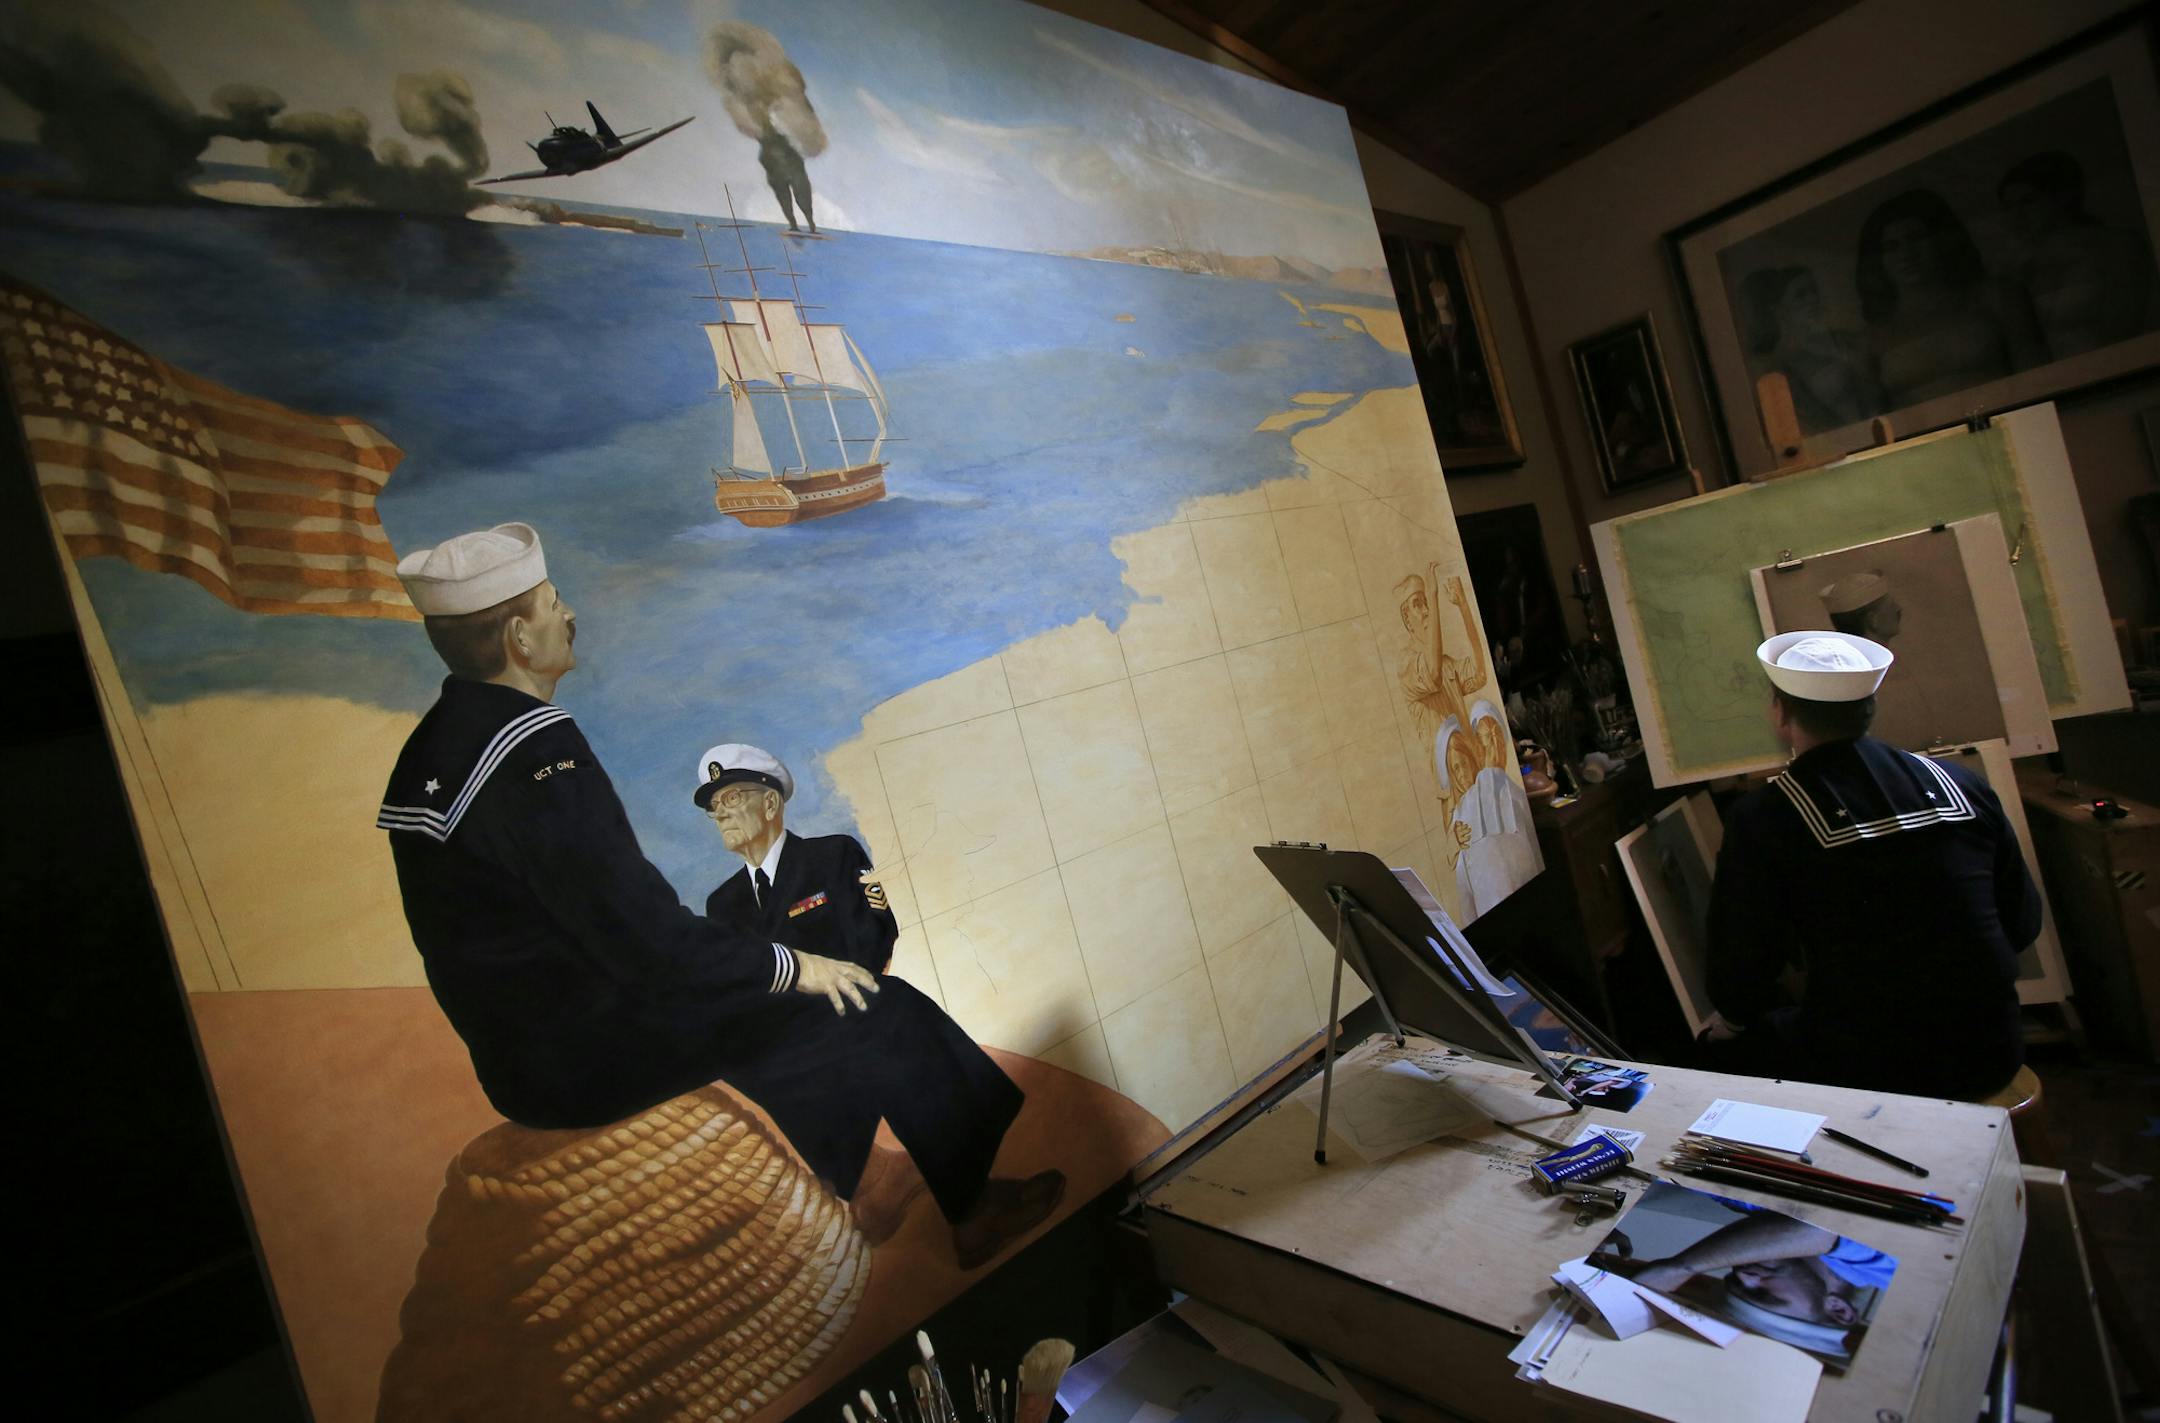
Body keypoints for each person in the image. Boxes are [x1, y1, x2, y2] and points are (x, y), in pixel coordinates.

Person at [376, 522, 1060, 1266]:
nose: (567, 616)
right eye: (552, 603)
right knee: (869, 1004)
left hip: (525, 1052)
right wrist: (800, 967)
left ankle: (869, 1178)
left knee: (756, 1010)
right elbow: (651, 943)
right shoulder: (534, 751)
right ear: (518, 636)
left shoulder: (435, 749)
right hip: (584, 1050)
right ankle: (973, 1204)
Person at [1703, 631, 2041, 1099]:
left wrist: (1733, 1021)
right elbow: (2022, 924)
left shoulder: (1765, 815)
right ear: (1870, 709)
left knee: (1718, 1054)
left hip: (1870, 1068)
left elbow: (1742, 967)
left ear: (1781, 713)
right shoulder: (1962, 782)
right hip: (1993, 1048)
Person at [1592, 1196, 1895, 1362]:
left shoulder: (1758, 1226)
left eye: (1736, 1284)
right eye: (1767, 1295)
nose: (1743, 1274)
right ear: (1838, 1309)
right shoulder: (1882, 1268)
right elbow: (1815, 1226)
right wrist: (1680, 1268)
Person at [698, 742, 895, 974]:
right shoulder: (722, 905)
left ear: (770, 803)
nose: (720, 813)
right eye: (714, 805)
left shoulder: (834, 856)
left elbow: (876, 941)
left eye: (732, 798)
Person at [1854, 188, 2044, 409]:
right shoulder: (1870, 340)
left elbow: (2037, 381)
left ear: (1940, 241)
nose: (1907, 253)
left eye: (1916, 238)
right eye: (1891, 246)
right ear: (1879, 261)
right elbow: (1874, 422)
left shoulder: (1996, 297)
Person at [1998, 149, 2156, 360]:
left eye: (2028, 201)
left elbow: (2130, 320)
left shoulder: (2115, 245)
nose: (2018, 215)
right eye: (2009, 207)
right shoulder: (2021, 266)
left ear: (2059, 197)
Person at [1735, 265, 1880, 432]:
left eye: (1814, 291)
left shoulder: (1845, 339)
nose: (1812, 299)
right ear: (1780, 310)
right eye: (1800, 296)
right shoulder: (1780, 366)